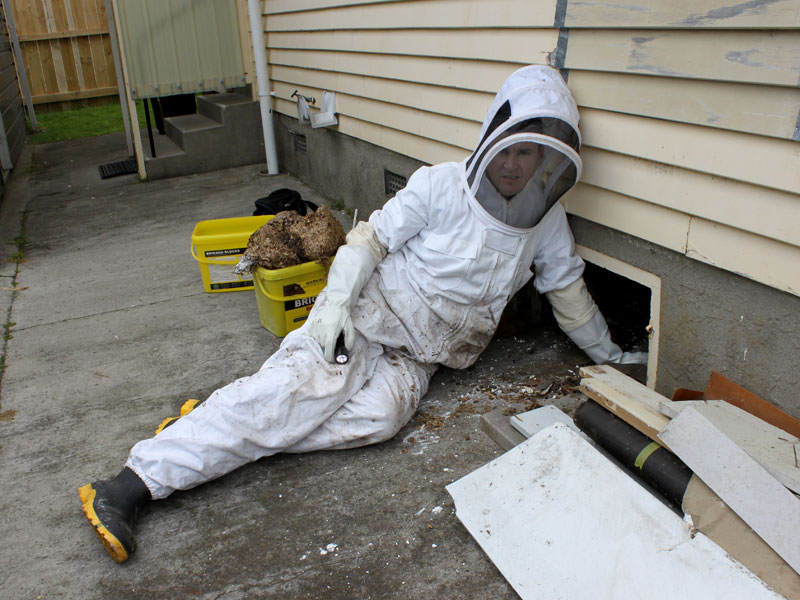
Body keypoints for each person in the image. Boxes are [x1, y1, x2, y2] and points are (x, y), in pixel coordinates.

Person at [79, 65, 644, 563]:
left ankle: (216, 422)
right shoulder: (441, 185)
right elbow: (367, 243)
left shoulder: (546, 222)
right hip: (366, 317)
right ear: (491, 138)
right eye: (511, 149)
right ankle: (132, 483)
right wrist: (334, 307)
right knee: (303, 392)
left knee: (378, 421)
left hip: (422, 359)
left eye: (532, 154)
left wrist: (614, 357)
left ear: (548, 162)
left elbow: (569, 293)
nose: (517, 166)